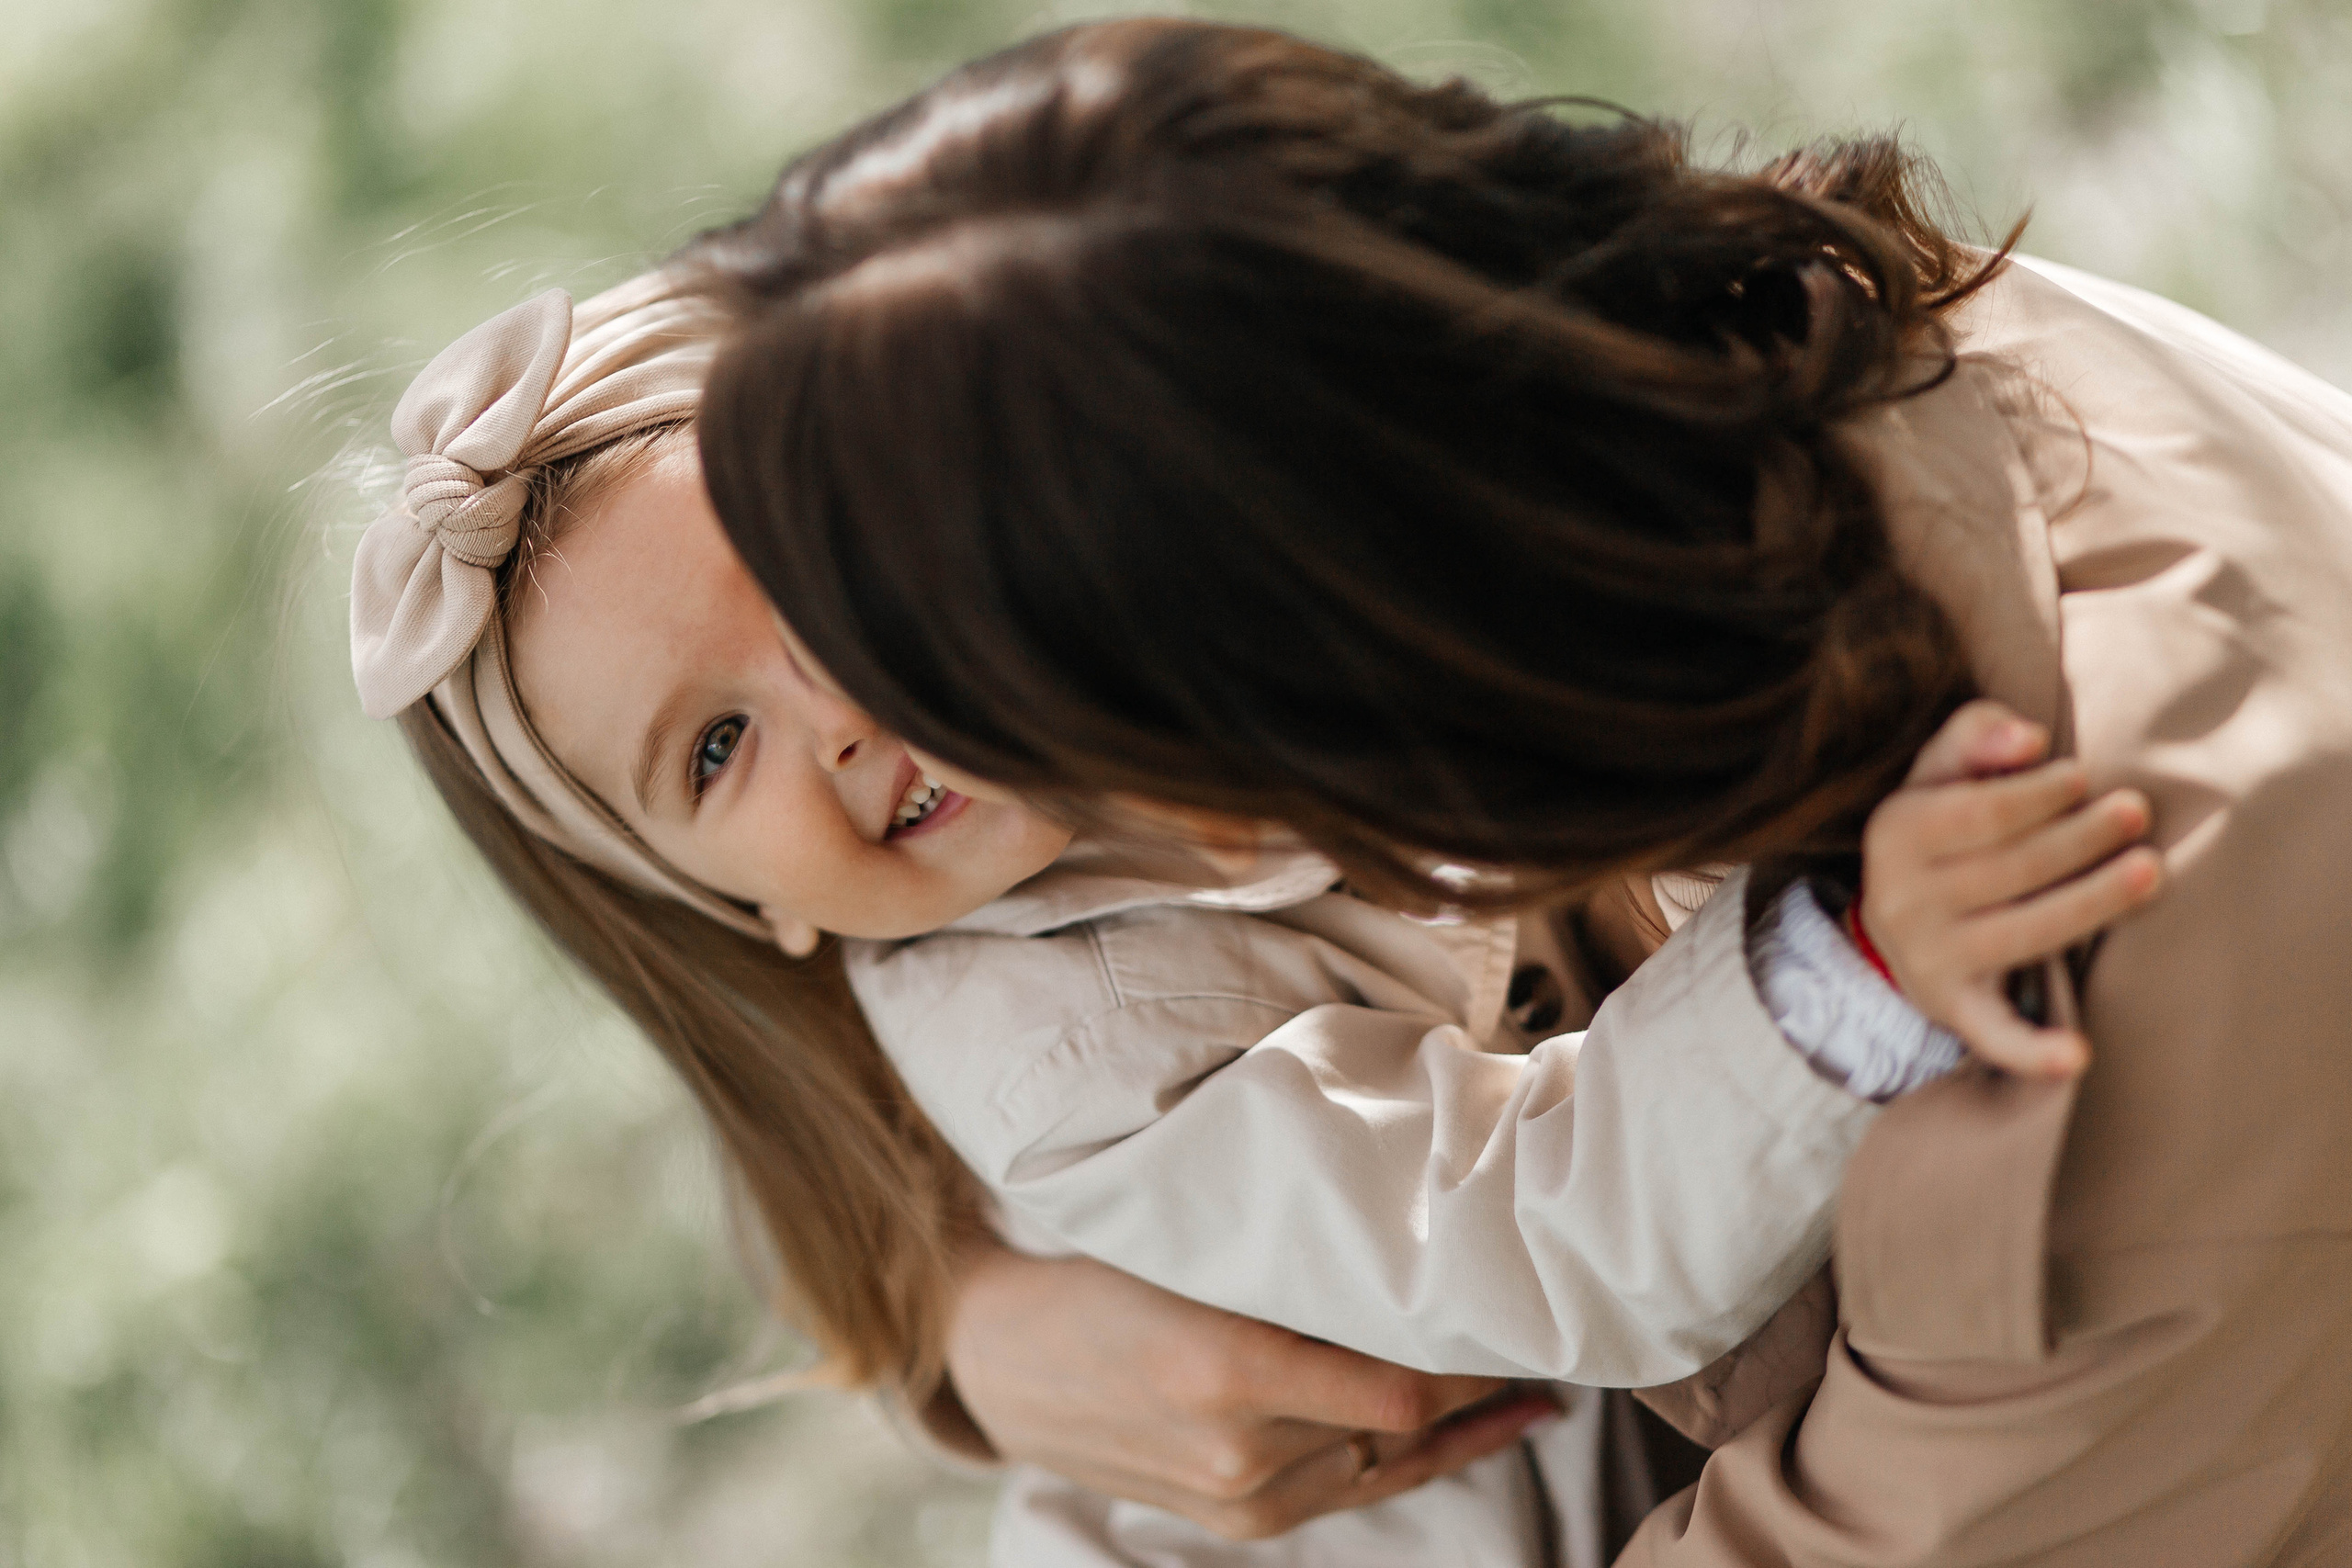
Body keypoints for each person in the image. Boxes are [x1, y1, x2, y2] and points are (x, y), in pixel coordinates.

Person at [684, 17, 2352, 1564]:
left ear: (1259, 767)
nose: (864, 738)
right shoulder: (1815, 348)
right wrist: (969, 1325)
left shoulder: (2075, 1051)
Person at [346, 274, 2142, 1562]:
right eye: (714, 746)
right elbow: (1544, 1228)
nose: (833, 706)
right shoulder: (1059, 1049)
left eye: (815, 560)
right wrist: (1846, 967)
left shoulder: (1160, 605)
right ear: (734, 908)